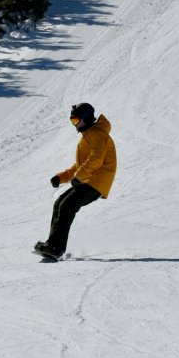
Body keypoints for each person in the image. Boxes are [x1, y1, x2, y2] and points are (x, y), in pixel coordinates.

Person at [35, 103, 117, 259]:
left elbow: (96, 159)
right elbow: (81, 164)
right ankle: (52, 243)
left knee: (67, 205)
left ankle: (56, 248)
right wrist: (61, 177)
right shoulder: (89, 135)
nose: (74, 124)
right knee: (60, 202)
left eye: (76, 120)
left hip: (97, 181)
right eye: (72, 121)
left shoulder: (97, 134)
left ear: (85, 119)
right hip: (89, 180)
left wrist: (79, 177)